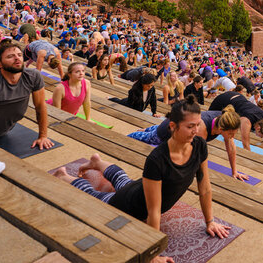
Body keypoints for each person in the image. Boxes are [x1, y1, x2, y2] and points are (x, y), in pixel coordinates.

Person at [53, 96, 231, 263]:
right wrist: (154, 254)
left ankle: (97, 162)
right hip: (130, 204)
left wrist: (210, 221)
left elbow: (205, 188)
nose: (196, 131)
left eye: (198, 124)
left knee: (123, 180)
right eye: (190, 126)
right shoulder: (157, 159)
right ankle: (64, 175)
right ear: (173, 126)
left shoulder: (199, 145)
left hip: (139, 188)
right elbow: (153, 210)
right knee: (95, 195)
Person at [129, 104, 249, 181]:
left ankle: (146, 129)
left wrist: (234, 171)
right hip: (167, 132)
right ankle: (127, 135)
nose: (232, 137)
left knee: (151, 130)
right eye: (231, 134)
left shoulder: (224, 118)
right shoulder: (201, 130)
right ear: (222, 129)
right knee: (143, 137)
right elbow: (191, 154)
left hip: (175, 122)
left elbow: (231, 148)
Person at [208, 90, 263, 160]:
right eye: (261, 136)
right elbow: (246, 144)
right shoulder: (246, 121)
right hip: (223, 100)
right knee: (211, 126)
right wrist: (250, 160)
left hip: (237, 98)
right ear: (257, 129)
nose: (262, 138)